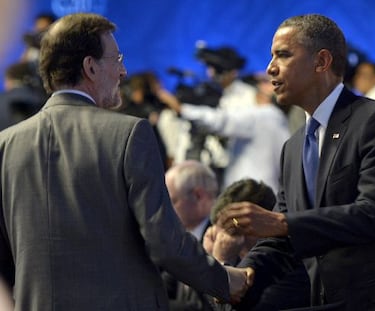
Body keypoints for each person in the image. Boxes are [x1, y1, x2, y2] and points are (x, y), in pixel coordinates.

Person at [0, 13, 251, 310]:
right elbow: (165, 243)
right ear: (90, 67)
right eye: (117, 58)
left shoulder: (5, 145)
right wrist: (226, 280)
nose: (123, 71)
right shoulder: (130, 133)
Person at [217, 14, 375, 310]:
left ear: (321, 61)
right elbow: (283, 237)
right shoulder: (293, 146)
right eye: (272, 56)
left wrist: (282, 222)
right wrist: (244, 272)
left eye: (282, 55)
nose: (270, 67)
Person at [157, 72, 290, 194]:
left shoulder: (259, 116)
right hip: (267, 191)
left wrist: (182, 109)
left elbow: (222, 120)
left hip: (248, 193)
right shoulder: (279, 119)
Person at [204, 178, 310, 311]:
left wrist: (220, 261)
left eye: (226, 229)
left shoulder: (283, 264)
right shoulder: (238, 260)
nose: (218, 239)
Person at [162, 160, 219, 311]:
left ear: (198, 196)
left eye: (171, 201)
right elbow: (164, 287)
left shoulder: (222, 237)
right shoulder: (180, 237)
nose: (164, 210)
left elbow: (207, 307)